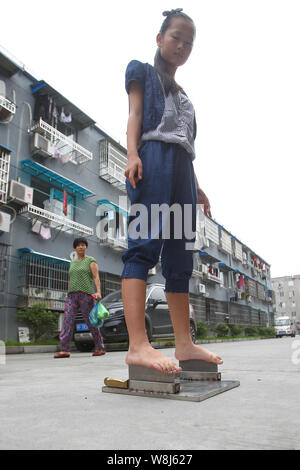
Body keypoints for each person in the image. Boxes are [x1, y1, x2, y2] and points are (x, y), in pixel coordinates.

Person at [121, 8, 223, 373]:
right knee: (143, 246)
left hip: (182, 172)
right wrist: (132, 154)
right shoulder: (142, 72)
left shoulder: (185, 99)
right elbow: (135, 115)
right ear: (160, 38)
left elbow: (184, 143)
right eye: (176, 36)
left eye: (189, 42)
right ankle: (137, 346)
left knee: (180, 259)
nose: (182, 45)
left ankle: (184, 345)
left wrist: (197, 187)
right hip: (152, 159)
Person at [54, 237, 106, 358]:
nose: (81, 247)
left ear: (86, 247)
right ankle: (64, 349)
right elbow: (71, 279)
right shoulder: (72, 262)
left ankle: (99, 347)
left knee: (91, 322)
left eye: (83, 245)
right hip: (72, 295)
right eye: (78, 245)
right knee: (67, 320)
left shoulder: (90, 260)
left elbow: (96, 277)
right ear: (75, 248)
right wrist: (68, 292)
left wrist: (98, 292)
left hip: (86, 294)